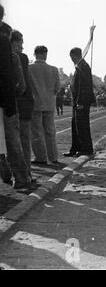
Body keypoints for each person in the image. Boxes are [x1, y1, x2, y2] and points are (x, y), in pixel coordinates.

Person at [0, 28, 32, 189]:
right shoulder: (14, 57)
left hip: (7, 103)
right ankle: (21, 177)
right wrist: (13, 94)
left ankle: (6, 173)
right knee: (14, 142)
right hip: (8, 104)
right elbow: (22, 85)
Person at [28, 45, 60, 165]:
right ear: (44, 54)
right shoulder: (54, 69)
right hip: (49, 104)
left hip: (35, 104)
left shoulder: (29, 68)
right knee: (50, 131)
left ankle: (40, 157)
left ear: (35, 54)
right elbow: (57, 87)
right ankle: (53, 157)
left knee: (36, 132)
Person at [10, 30, 35, 180]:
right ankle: (26, 174)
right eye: (21, 42)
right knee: (24, 140)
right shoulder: (21, 57)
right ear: (15, 42)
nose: (23, 45)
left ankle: (11, 174)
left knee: (10, 142)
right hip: (22, 102)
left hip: (9, 103)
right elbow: (24, 83)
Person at [63, 47, 96, 157]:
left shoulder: (83, 66)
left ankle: (86, 149)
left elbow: (85, 86)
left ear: (74, 55)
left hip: (81, 102)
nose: (71, 59)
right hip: (76, 102)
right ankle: (75, 148)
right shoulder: (80, 66)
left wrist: (81, 102)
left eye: (71, 57)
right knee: (76, 126)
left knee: (82, 126)